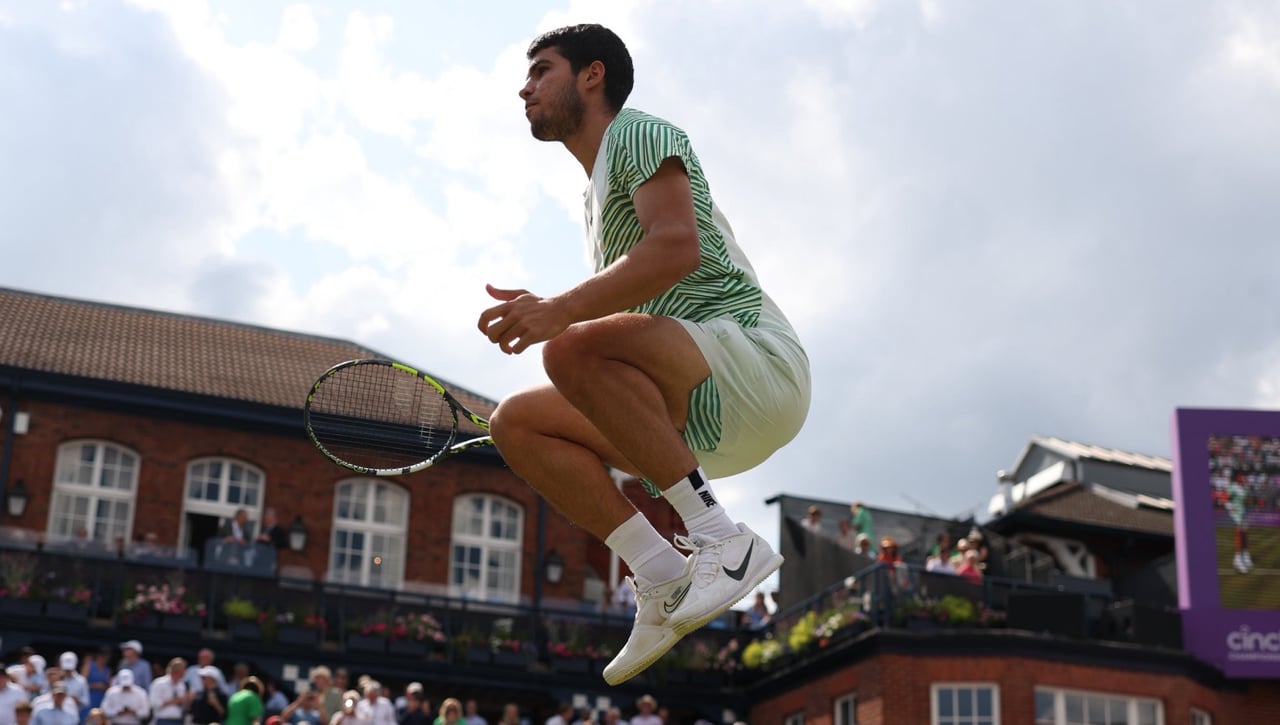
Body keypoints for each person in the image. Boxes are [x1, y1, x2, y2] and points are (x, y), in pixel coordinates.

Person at [482, 22, 809, 687]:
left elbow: (677, 246)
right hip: (700, 422)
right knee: (515, 423)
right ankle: (660, 576)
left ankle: (724, 540)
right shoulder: (593, 197)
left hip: (755, 367)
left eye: (541, 70)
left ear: (591, 75)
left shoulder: (637, 132)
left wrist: (558, 311)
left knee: (570, 348)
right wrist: (566, 318)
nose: (525, 88)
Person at [147, 658, 186, 725]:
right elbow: (154, 703)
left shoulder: (181, 685)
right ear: (176, 671)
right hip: (162, 720)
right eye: (183, 670)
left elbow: (183, 705)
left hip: (178, 720)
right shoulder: (158, 683)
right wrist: (174, 701)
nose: (184, 673)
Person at [83, 649, 112, 715]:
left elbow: (109, 687)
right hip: (89, 699)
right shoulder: (88, 667)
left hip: (101, 699)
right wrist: (95, 686)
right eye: (103, 657)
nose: (105, 659)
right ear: (98, 656)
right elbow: (82, 685)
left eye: (106, 657)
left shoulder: (108, 670)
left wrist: (104, 687)